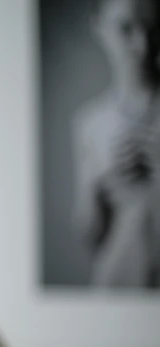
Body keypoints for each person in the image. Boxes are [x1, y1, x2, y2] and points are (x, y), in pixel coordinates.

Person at [72, 0, 160, 287]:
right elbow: (89, 236)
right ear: (99, 27)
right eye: (125, 28)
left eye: (153, 29)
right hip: (117, 286)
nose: (143, 45)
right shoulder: (89, 123)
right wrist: (99, 183)